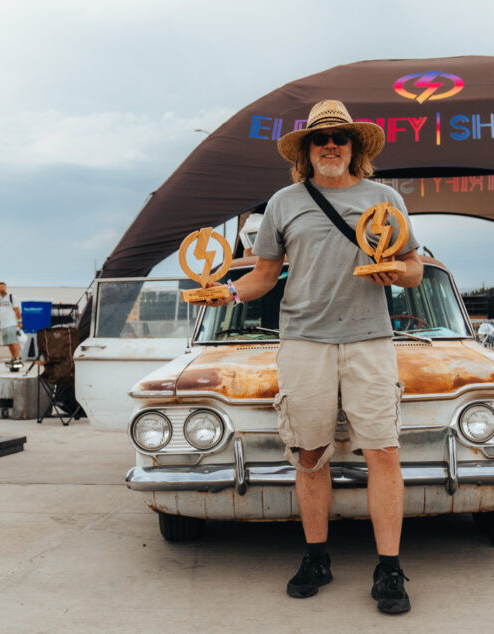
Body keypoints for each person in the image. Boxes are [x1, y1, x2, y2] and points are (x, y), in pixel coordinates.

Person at [191, 100, 423, 614]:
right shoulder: (284, 203)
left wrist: (396, 275)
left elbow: (413, 269)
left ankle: (389, 568)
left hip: (370, 340)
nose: (332, 146)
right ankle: (317, 557)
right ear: (307, 150)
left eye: (341, 138)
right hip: (303, 342)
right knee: (311, 453)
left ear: (356, 147)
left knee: (383, 451)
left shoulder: (384, 198)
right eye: (321, 139)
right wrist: (227, 294)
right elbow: (264, 275)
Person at [0, 282, 23, 364]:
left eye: (3, 287)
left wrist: (19, 322)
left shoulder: (11, 297)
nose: (1, 288)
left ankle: (17, 357)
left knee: (13, 341)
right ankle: (13, 357)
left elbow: (17, 310)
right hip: (3, 325)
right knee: (8, 342)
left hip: (11, 323)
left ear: (5, 288)